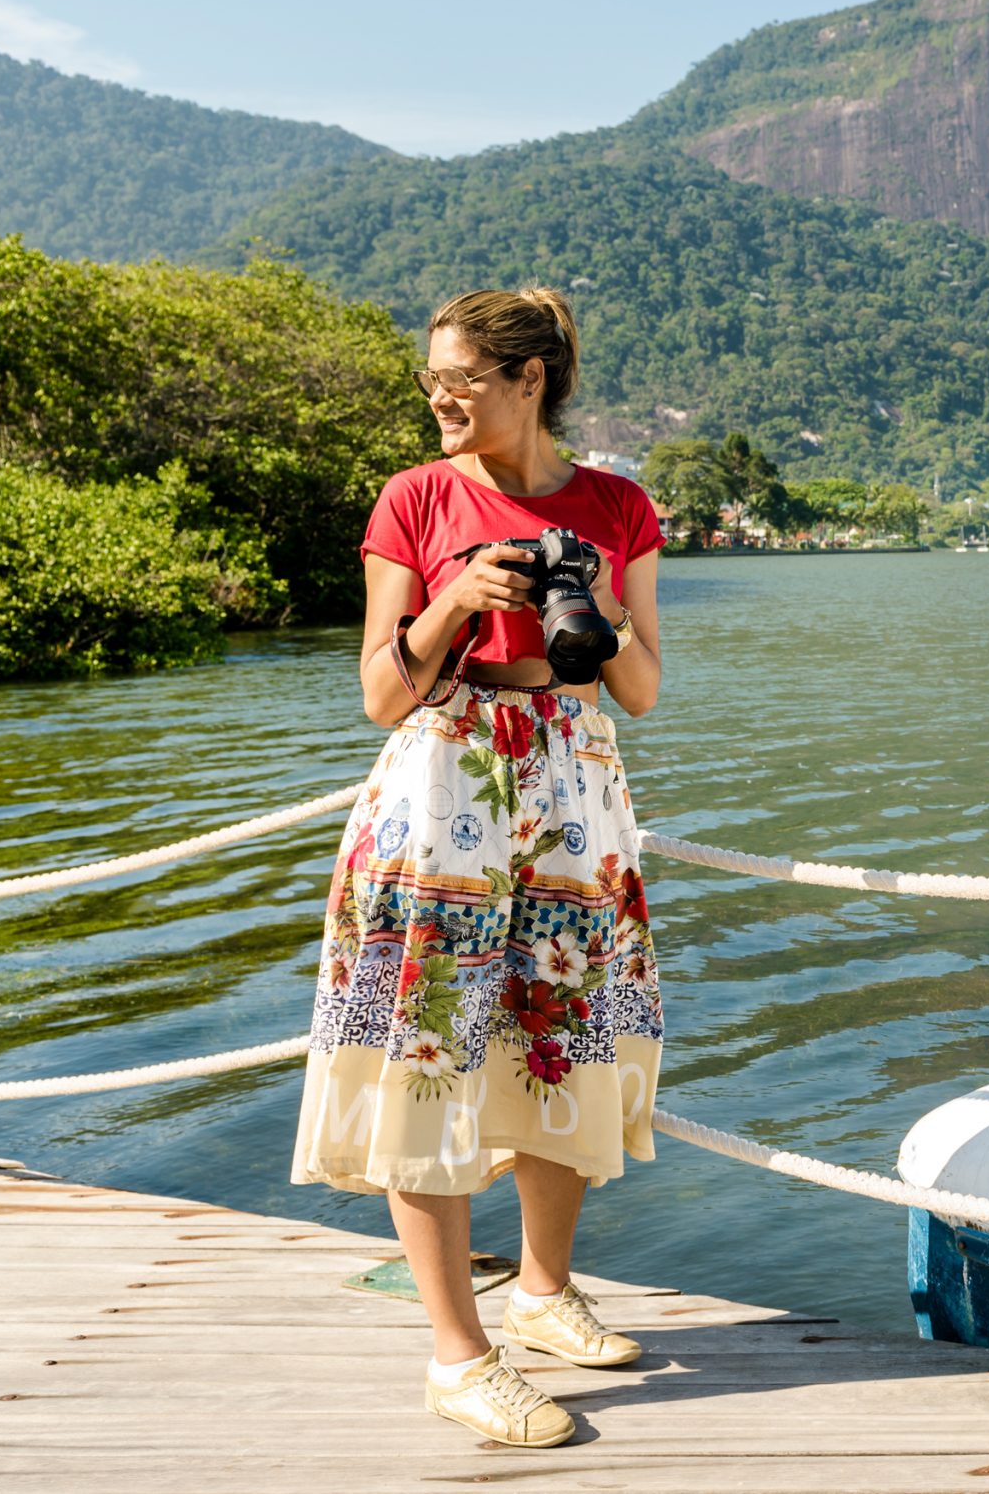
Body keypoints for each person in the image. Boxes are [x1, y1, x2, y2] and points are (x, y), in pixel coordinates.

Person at [290, 287, 666, 1448]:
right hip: (444, 779)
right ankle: (460, 1354)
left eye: (461, 376)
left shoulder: (616, 504)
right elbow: (376, 695)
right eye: (431, 378)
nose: (440, 396)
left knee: (565, 1032)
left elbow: (642, 686)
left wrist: (590, 599)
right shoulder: (414, 497)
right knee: (429, 1046)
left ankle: (546, 1292)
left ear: (529, 379)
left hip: (572, 784)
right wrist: (455, 597)